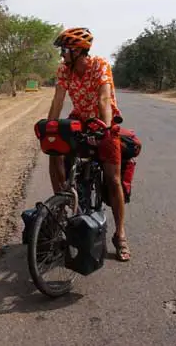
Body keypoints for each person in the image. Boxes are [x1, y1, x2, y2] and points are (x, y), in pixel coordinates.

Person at [46, 27, 130, 262]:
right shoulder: (64, 70)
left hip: (102, 121)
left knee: (113, 179)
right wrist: (49, 127)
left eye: (65, 50)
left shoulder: (100, 65)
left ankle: (120, 234)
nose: (62, 55)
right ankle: (62, 204)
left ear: (78, 51)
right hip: (79, 118)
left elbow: (104, 99)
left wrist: (104, 129)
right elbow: (58, 100)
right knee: (54, 151)